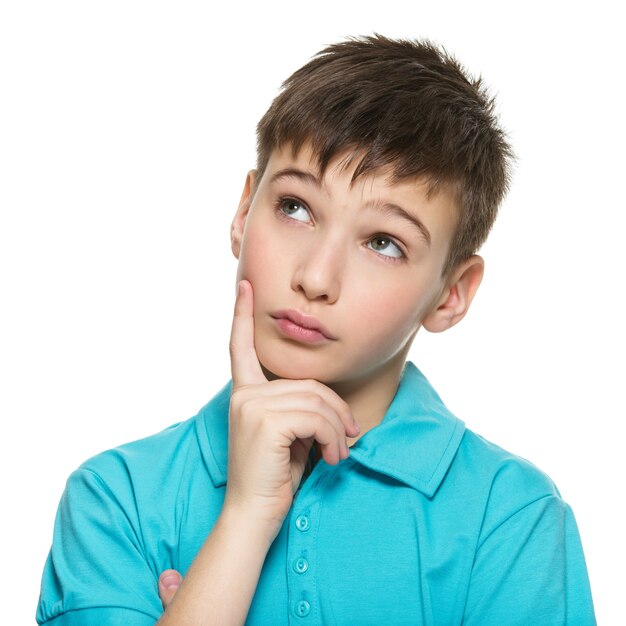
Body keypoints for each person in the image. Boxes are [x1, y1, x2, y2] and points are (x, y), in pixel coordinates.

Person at [36, 34, 596, 625]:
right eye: (295, 208)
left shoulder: (510, 519)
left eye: (384, 243)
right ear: (243, 211)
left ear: (451, 294)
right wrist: (246, 516)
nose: (316, 277)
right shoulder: (115, 499)